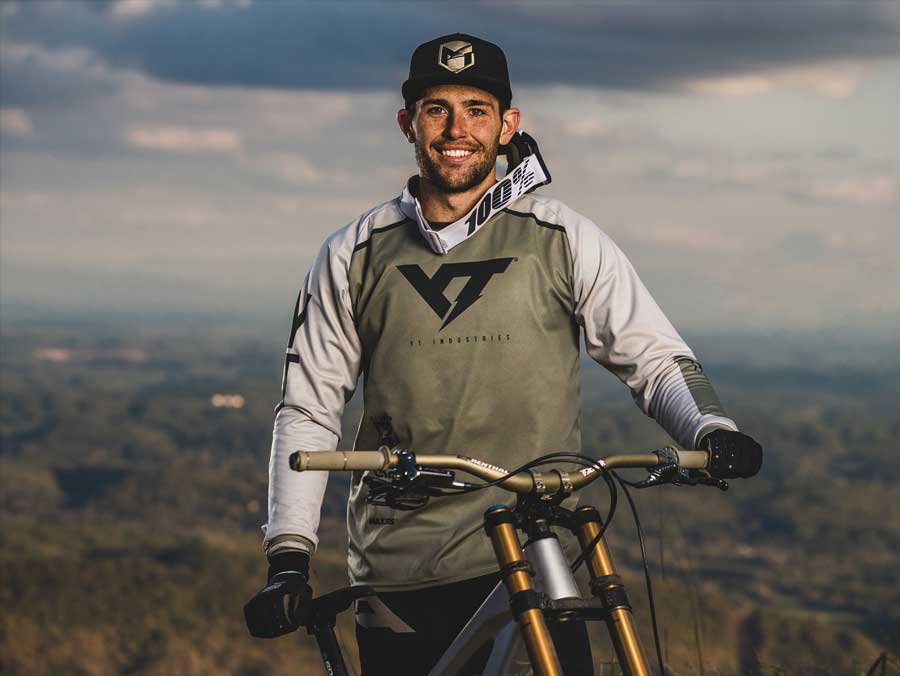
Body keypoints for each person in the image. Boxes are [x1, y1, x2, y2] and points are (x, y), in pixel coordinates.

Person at [244, 33, 762, 674]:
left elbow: (653, 358)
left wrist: (710, 430)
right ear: (407, 124)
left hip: (540, 544)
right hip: (402, 560)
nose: (456, 128)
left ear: (508, 123)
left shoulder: (563, 237)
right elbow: (309, 408)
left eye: (477, 109)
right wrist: (289, 554)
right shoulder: (354, 253)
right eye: (437, 109)